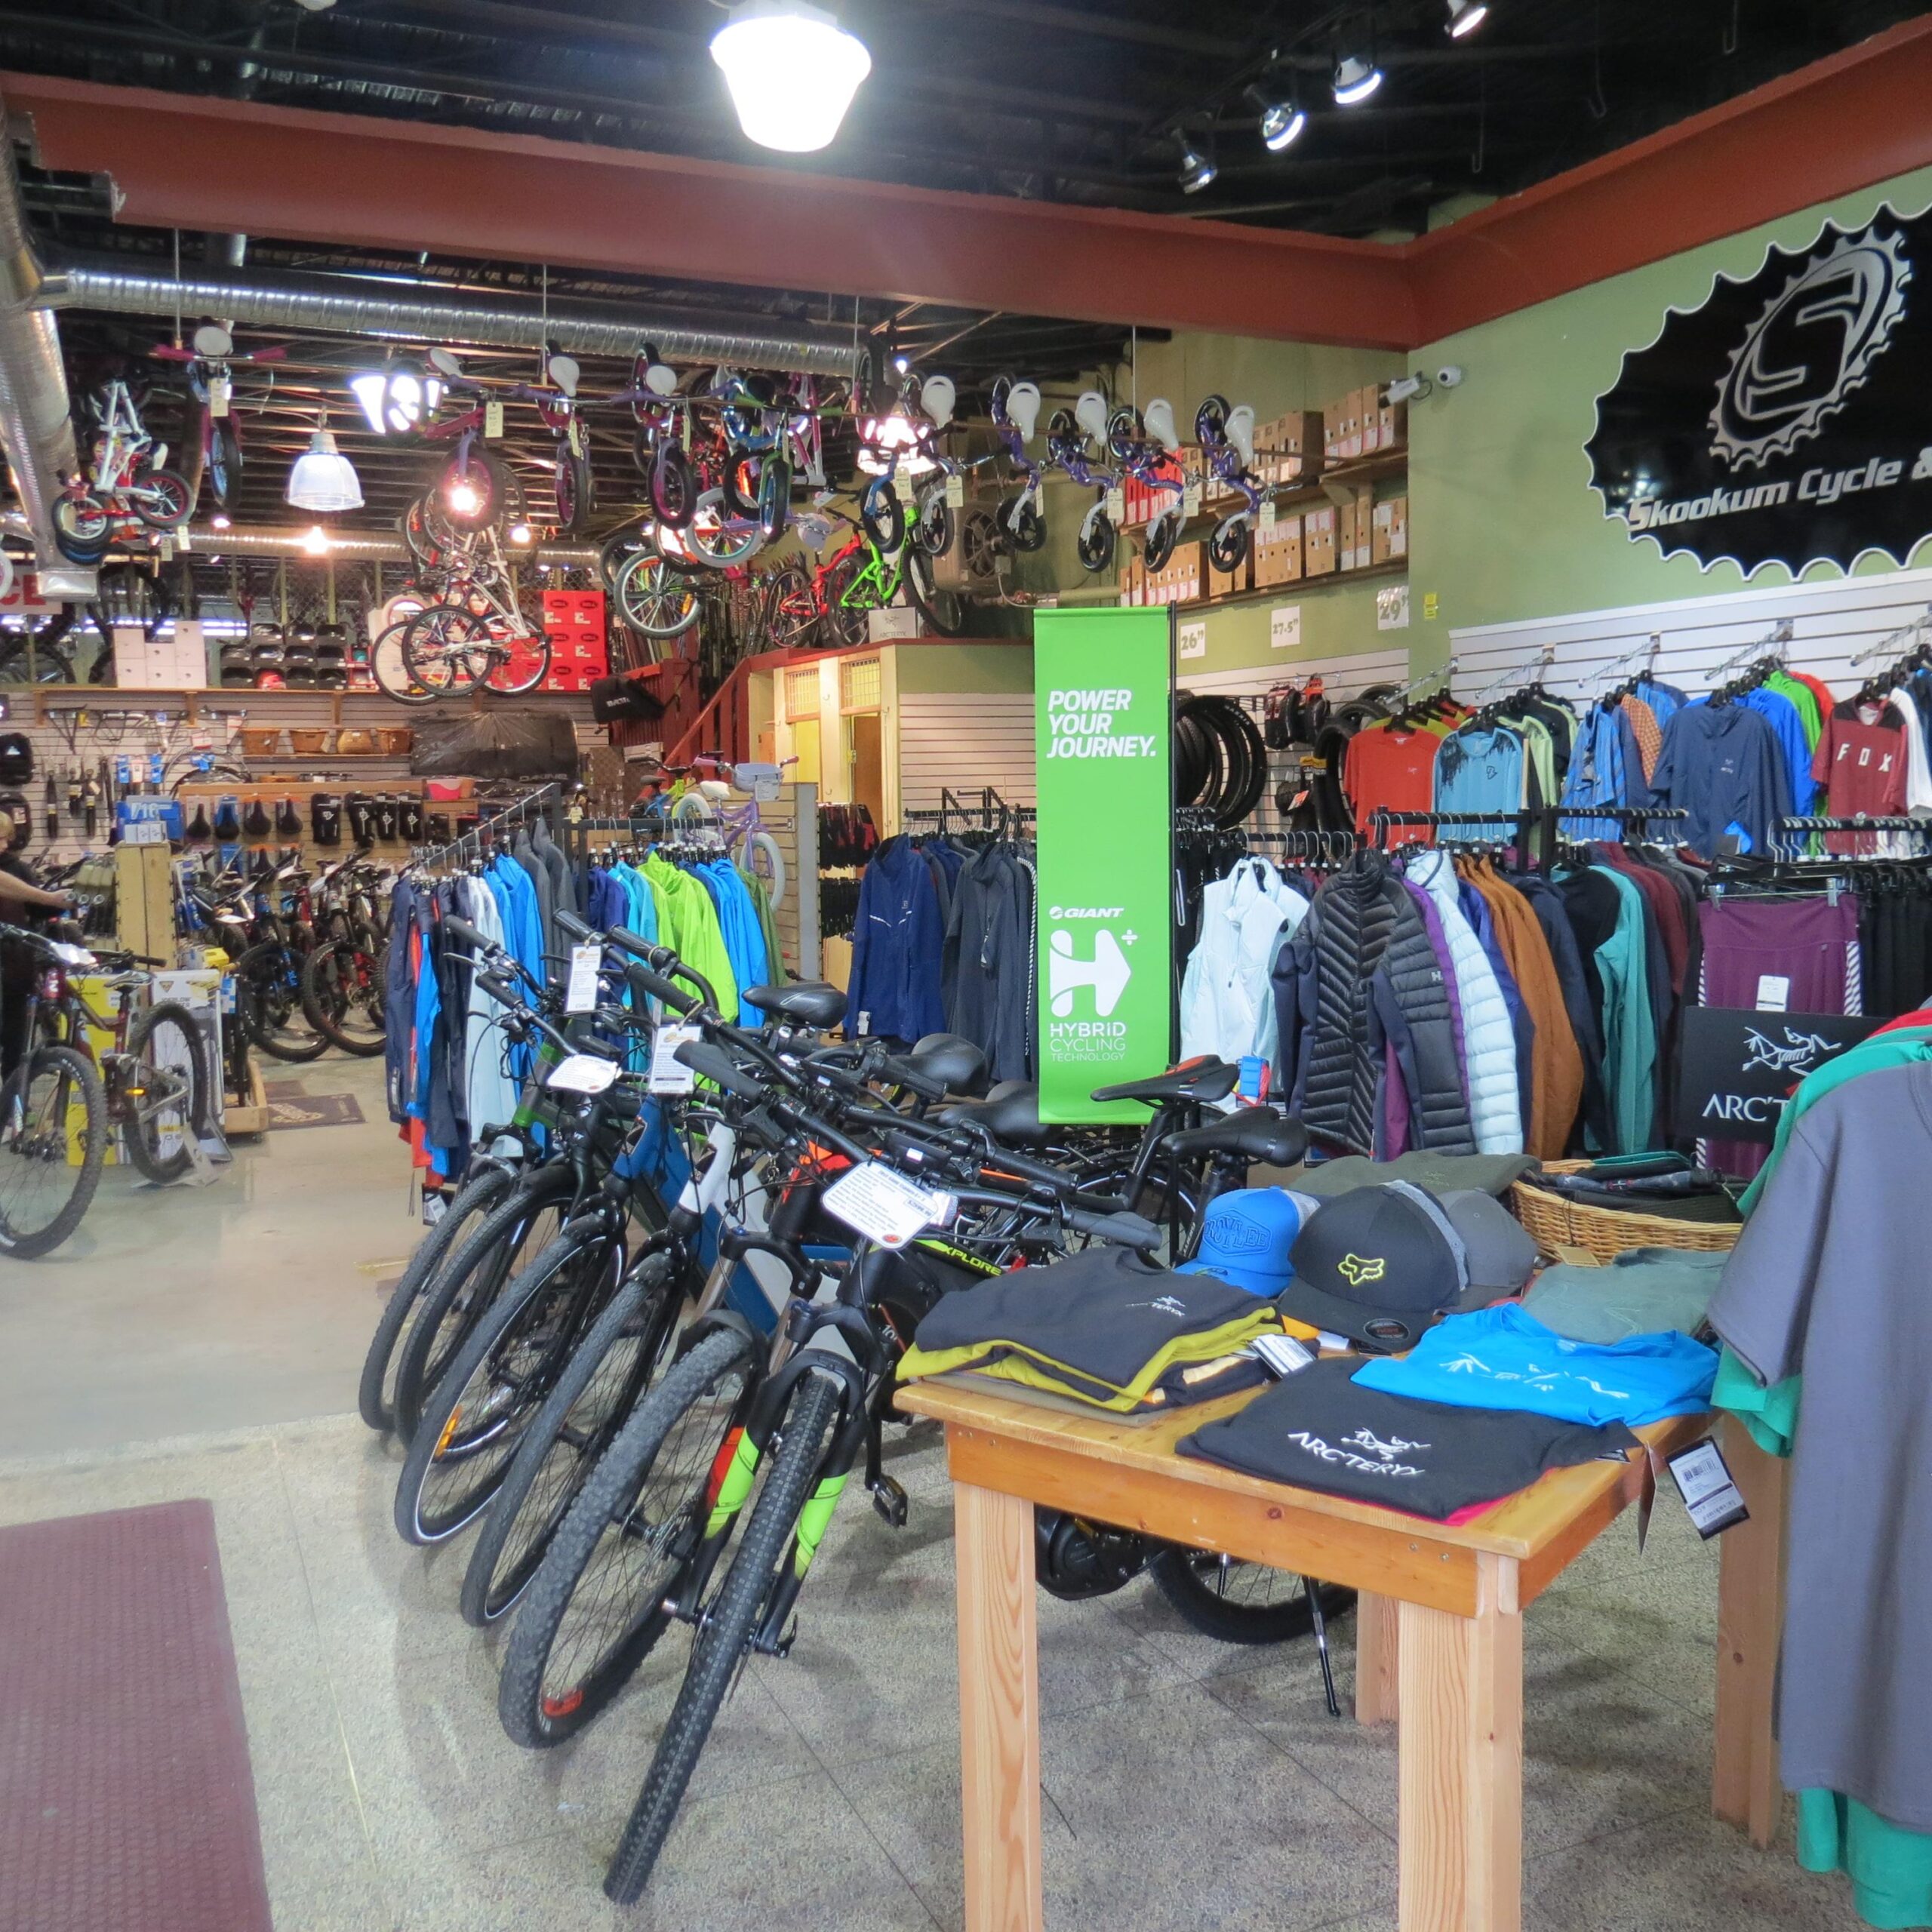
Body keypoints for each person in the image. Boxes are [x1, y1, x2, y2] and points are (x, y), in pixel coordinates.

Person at [0, 811, 72, 1077]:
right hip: (13, 965)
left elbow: (38, 908)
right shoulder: (13, 871)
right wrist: (49, 899)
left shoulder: (17, 869)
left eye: (6, 838)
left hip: (15, 968)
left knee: (15, 1044)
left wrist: (57, 902)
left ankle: (13, 1099)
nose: (5, 845)